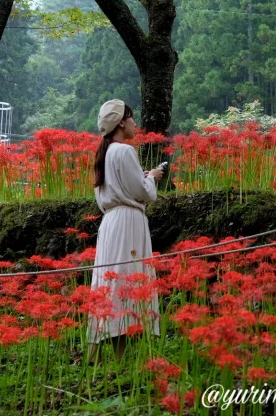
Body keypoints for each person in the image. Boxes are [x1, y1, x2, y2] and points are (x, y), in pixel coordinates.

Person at [87, 99, 165, 362]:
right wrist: (152, 177)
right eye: (131, 118)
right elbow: (142, 192)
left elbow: (119, 187)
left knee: (108, 281)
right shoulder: (124, 151)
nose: (135, 123)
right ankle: (120, 359)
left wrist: (142, 178)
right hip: (128, 223)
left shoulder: (105, 153)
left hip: (111, 223)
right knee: (126, 279)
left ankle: (96, 354)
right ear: (121, 122)